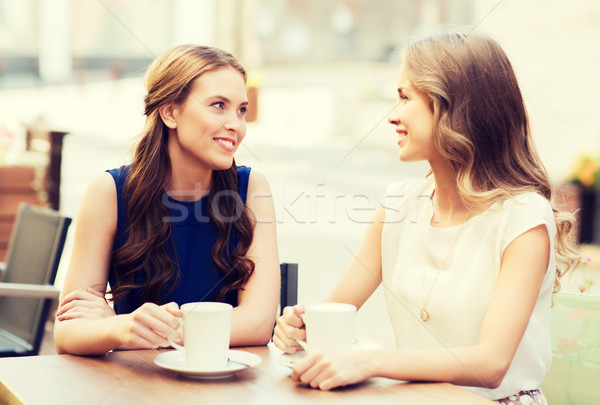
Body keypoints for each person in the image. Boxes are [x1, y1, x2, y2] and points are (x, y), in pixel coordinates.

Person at [273, 32, 578, 403]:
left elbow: (492, 362)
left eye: (405, 97)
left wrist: (370, 361)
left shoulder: (523, 218)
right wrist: (300, 326)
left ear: (455, 107)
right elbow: (335, 312)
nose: (393, 116)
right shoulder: (398, 205)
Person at [54, 45, 280, 355]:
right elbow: (68, 330)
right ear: (170, 112)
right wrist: (119, 327)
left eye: (241, 110)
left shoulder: (252, 188)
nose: (236, 125)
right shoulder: (108, 192)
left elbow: (258, 325)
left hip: (224, 384)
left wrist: (133, 328)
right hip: (135, 389)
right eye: (218, 105)